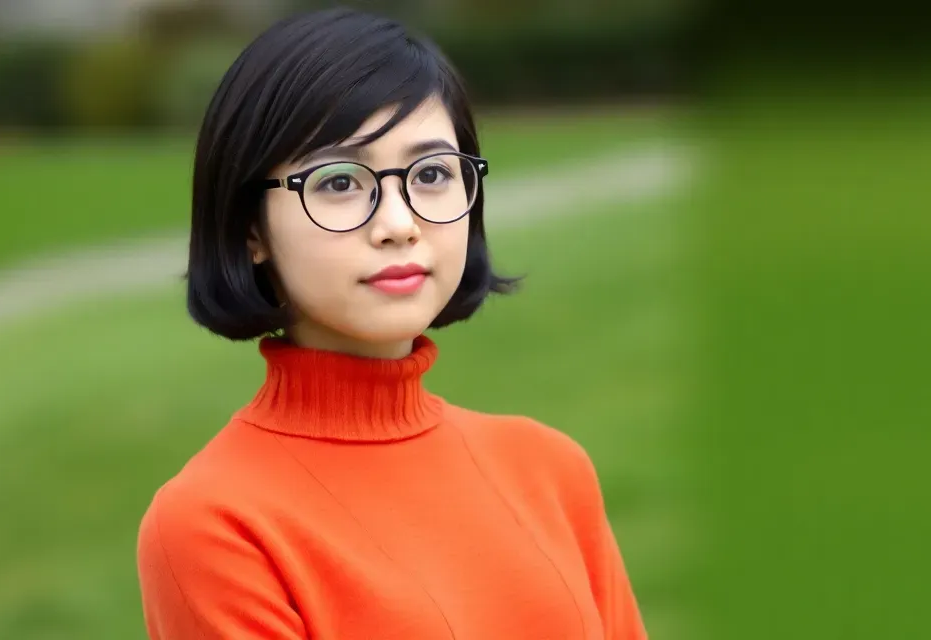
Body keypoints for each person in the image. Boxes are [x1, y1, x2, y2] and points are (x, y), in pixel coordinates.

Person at [134, 6, 647, 639]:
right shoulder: (214, 523)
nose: (399, 223)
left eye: (431, 174)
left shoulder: (549, 470)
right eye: (340, 181)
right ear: (250, 230)